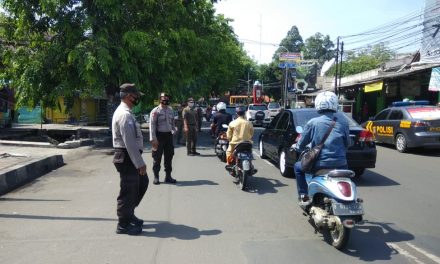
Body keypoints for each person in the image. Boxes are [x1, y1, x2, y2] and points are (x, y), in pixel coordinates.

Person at [292, 91, 350, 204]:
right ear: (335, 104)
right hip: (342, 164)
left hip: (320, 164)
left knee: (297, 167)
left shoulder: (313, 123)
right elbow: (348, 144)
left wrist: (297, 146)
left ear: (318, 104)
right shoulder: (343, 123)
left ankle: (303, 195)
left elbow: (301, 144)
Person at [112, 83, 148, 236]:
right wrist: (140, 163)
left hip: (129, 155)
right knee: (128, 190)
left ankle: (129, 213)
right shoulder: (124, 114)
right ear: (128, 96)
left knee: (141, 183)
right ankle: (123, 224)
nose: (137, 98)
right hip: (127, 156)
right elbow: (129, 142)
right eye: (136, 96)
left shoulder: (128, 112)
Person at [149, 92, 177, 185]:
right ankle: (156, 177)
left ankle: (168, 176)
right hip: (159, 136)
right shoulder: (155, 111)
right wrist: (153, 139)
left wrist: (173, 129)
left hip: (168, 136)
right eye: (163, 98)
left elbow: (172, 122)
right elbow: (152, 126)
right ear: (160, 99)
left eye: (167, 98)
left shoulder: (170, 110)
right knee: (157, 157)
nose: (165, 99)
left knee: (169, 157)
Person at [225, 105, 254, 174]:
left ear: (236, 114)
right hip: (247, 143)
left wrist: (229, 139)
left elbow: (229, 136)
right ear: (244, 113)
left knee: (228, 152)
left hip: (235, 144)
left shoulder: (232, 123)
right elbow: (251, 133)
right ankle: (251, 165)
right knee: (250, 154)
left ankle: (229, 164)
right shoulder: (249, 123)